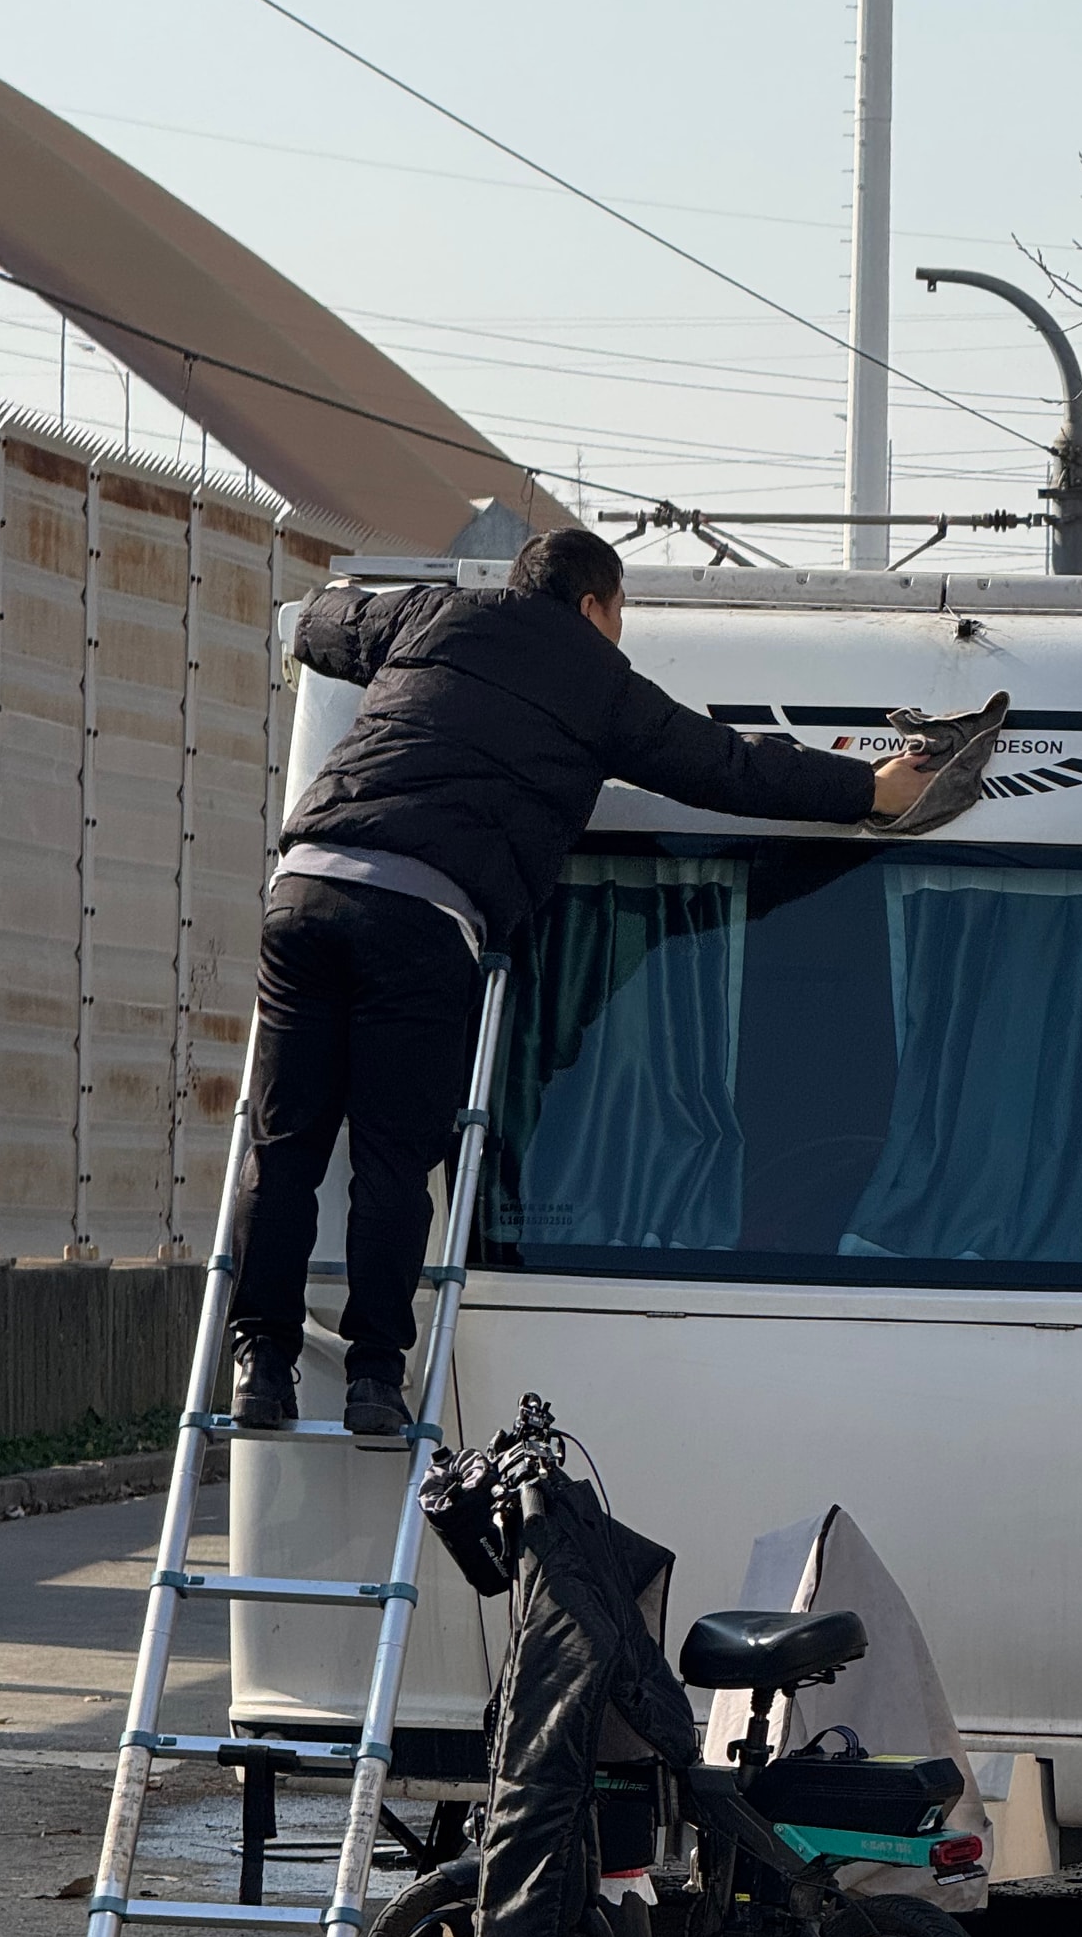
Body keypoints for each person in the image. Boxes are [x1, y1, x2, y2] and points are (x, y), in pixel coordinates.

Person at [229, 524, 949, 1435]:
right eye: (621, 616)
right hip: (416, 916)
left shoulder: (431, 614)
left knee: (284, 1142)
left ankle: (260, 1365)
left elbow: (328, 624)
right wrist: (867, 792)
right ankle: (375, 1374)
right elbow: (726, 766)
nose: (621, 635)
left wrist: (316, 617)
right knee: (391, 1156)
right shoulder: (598, 681)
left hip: (303, 890)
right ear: (590, 605)